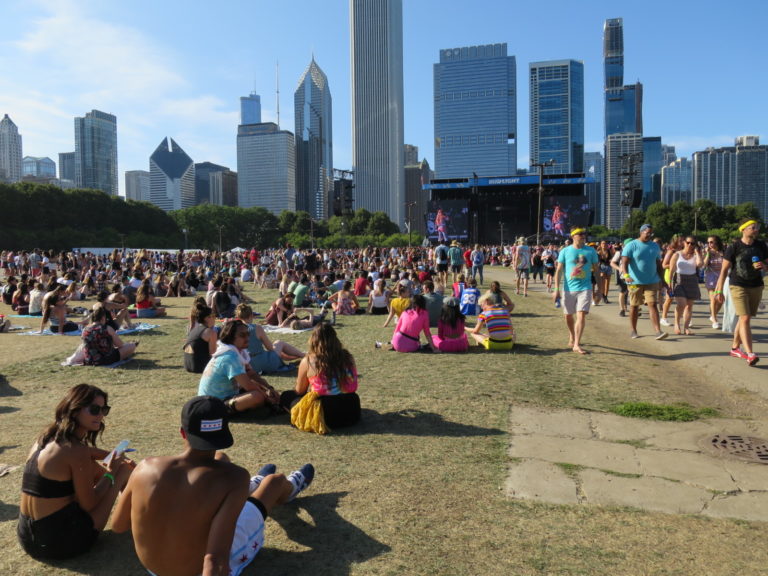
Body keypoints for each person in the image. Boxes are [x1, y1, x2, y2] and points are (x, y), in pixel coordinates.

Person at [112, 396, 314, 576]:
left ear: (182, 432)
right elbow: (215, 560)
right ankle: (288, 489)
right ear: (224, 432)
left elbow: (118, 526)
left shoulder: (144, 467)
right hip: (198, 570)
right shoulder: (235, 477)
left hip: (153, 570)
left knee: (221, 458)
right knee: (273, 482)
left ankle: (251, 488)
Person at [18, 384, 134, 559]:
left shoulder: (46, 439)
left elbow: (85, 453)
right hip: (58, 544)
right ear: (75, 410)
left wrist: (111, 455)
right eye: (94, 410)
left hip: (27, 538)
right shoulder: (76, 451)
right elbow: (89, 504)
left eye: (104, 410)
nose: (101, 415)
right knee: (123, 471)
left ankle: (136, 507)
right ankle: (139, 515)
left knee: (94, 466)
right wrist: (112, 471)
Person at [280, 323, 361, 430]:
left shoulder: (308, 361)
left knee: (286, 396)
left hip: (325, 414)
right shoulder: (348, 357)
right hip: (352, 411)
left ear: (313, 340)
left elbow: (299, 391)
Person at [714, 218, 768, 366]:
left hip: (756, 285)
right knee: (744, 318)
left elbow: (767, 264)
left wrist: (764, 266)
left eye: (757, 227)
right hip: (738, 285)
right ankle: (750, 353)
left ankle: (735, 348)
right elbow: (724, 270)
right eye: (753, 227)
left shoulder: (761, 245)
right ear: (743, 229)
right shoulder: (734, 247)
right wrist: (719, 290)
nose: (756, 229)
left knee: (745, 318)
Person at [198, 320, 279, 414]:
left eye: (248, 334)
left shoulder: (239, 352)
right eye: (242, 335)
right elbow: (248, 385)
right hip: (213, 403)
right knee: (257, 396)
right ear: (230, 337)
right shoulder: (229, 356)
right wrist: (267, 397)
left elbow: (252, 374)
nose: (247, 338)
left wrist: (269, 388)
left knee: (258, 388)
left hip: (226, 396)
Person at [553, 227, 601, 354]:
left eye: (584, 234)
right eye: (580, 234)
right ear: (573, 236)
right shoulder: (565, 251)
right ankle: (572, 335)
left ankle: (576, 344)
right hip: (568, 289)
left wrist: (600, 290)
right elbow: (559, 271)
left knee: (581, 314)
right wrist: (556, 289)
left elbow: (596, 271)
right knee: (568, 315)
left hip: (585, 288)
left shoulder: (591, 251)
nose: (583, 235)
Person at [620, 224, 669, 340]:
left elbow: (658, 264)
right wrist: (626, 275)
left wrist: (662, 280)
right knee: (634, 305)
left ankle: (658, 331)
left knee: (652, 304)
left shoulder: (655, 246)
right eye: (647, 233)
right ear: (641, 232)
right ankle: (633, 330)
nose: (649, 235)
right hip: (634, 282)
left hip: (652, 280)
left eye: (651, 233)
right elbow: (624, 262)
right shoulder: (631, 245)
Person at [235, 304, 305, 373]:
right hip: (262, 362)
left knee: (275, 351)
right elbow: (270, 348)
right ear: (251, 315)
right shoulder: (257, 328)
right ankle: (303, 355)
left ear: (238, 317)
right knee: (279, 343)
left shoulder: (235, 330)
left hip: (247, 365)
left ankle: (299, 356)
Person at [668, 236, 703, 335]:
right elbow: (671, 270)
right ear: (684, 243)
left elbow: (700, 264)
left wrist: (697, 253)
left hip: (692, 280)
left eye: (692, 243)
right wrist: (669, 284)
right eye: (688, 242)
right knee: (681, 304)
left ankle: (686, 327)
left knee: (689, 306)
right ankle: (676, 324)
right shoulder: (677, 254)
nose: (689, 245)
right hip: (679, 280)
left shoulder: (695, 255)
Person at [184, 303, 218, 373]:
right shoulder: (210, 332)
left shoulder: (195, 329)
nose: (215, 318)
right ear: (206, 318)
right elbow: (213, 354)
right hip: (200, 366)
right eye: (213, 316)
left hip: (188, 364)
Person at [703, 235, 725, 329]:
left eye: (711, 242)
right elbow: (704, 265)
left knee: (720, 300)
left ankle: (713, 314)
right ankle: (715, 320)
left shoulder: (723, 252)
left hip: (722, 277)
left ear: (717, 242)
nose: (709, 244)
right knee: (713, 299)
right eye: (708, 242)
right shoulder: (708, 252)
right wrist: (707, 254)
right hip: (711, 277)